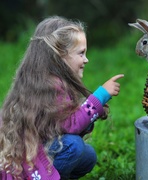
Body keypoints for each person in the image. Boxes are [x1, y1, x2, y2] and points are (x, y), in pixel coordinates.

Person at [0, 16, 124, 179]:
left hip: (37, 151)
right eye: (81, 53)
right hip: (28, 159)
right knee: (74, 146)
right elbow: (70, 124)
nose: (86, 60)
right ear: (59, 55)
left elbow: (59, 127)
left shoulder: (43, 80)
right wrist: (100, 96)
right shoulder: (50, 85)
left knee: (88, 156)